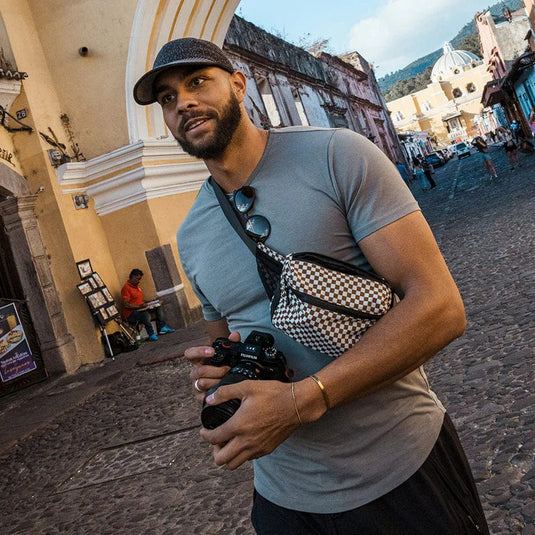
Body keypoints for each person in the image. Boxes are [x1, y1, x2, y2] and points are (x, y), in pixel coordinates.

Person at [133, 38, 489, 534]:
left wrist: (304, 400)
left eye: (197, 82)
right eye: (168, 98)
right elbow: (228, 352)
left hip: (400, 471)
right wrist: (219, 378)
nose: (183, 102)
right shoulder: (191, 236)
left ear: (238, 84)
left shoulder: (337, 155)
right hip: (284, 500)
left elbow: (441, 308)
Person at [121, 268, 175, 341]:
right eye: (137, 279)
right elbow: (126, 305)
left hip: (141, 308)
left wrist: (151, 302)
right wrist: (139, 306)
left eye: (140, 279)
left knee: (158, 306)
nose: (138, 281)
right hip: (131, 313)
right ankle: (151, 334)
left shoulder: (137, 287)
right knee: (144, 314)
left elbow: (139, 300)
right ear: (132, 277)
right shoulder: (126, 288)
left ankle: (162, 327)